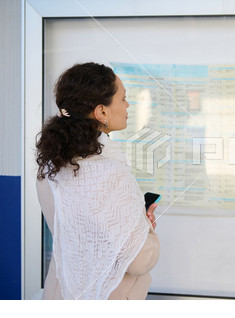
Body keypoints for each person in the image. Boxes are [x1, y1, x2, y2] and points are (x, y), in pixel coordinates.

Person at [35, 62, 160, 300]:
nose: (127, 105)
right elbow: (139, 261)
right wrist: (146, 228)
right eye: (123, 98)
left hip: (58, 293)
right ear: (101, 112)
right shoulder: (112, 173)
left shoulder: (50, 165)